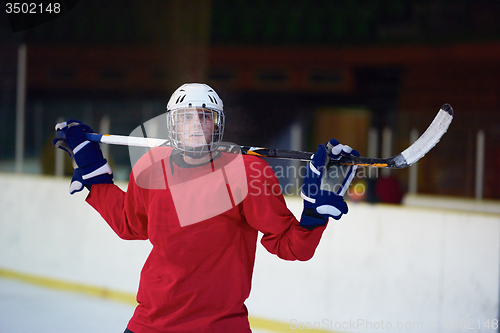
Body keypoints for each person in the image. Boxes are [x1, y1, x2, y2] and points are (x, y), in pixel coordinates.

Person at [53, 83, 359, 333]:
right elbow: (130, 224)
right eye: (186, 116)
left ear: (218, 123)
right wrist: (95, 173)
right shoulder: (150, 167)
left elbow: (292, 246)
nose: (196, 124)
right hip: (150, 324)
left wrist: (312, 217)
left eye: (206, 116)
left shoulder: (248, 171)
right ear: (172, 123)